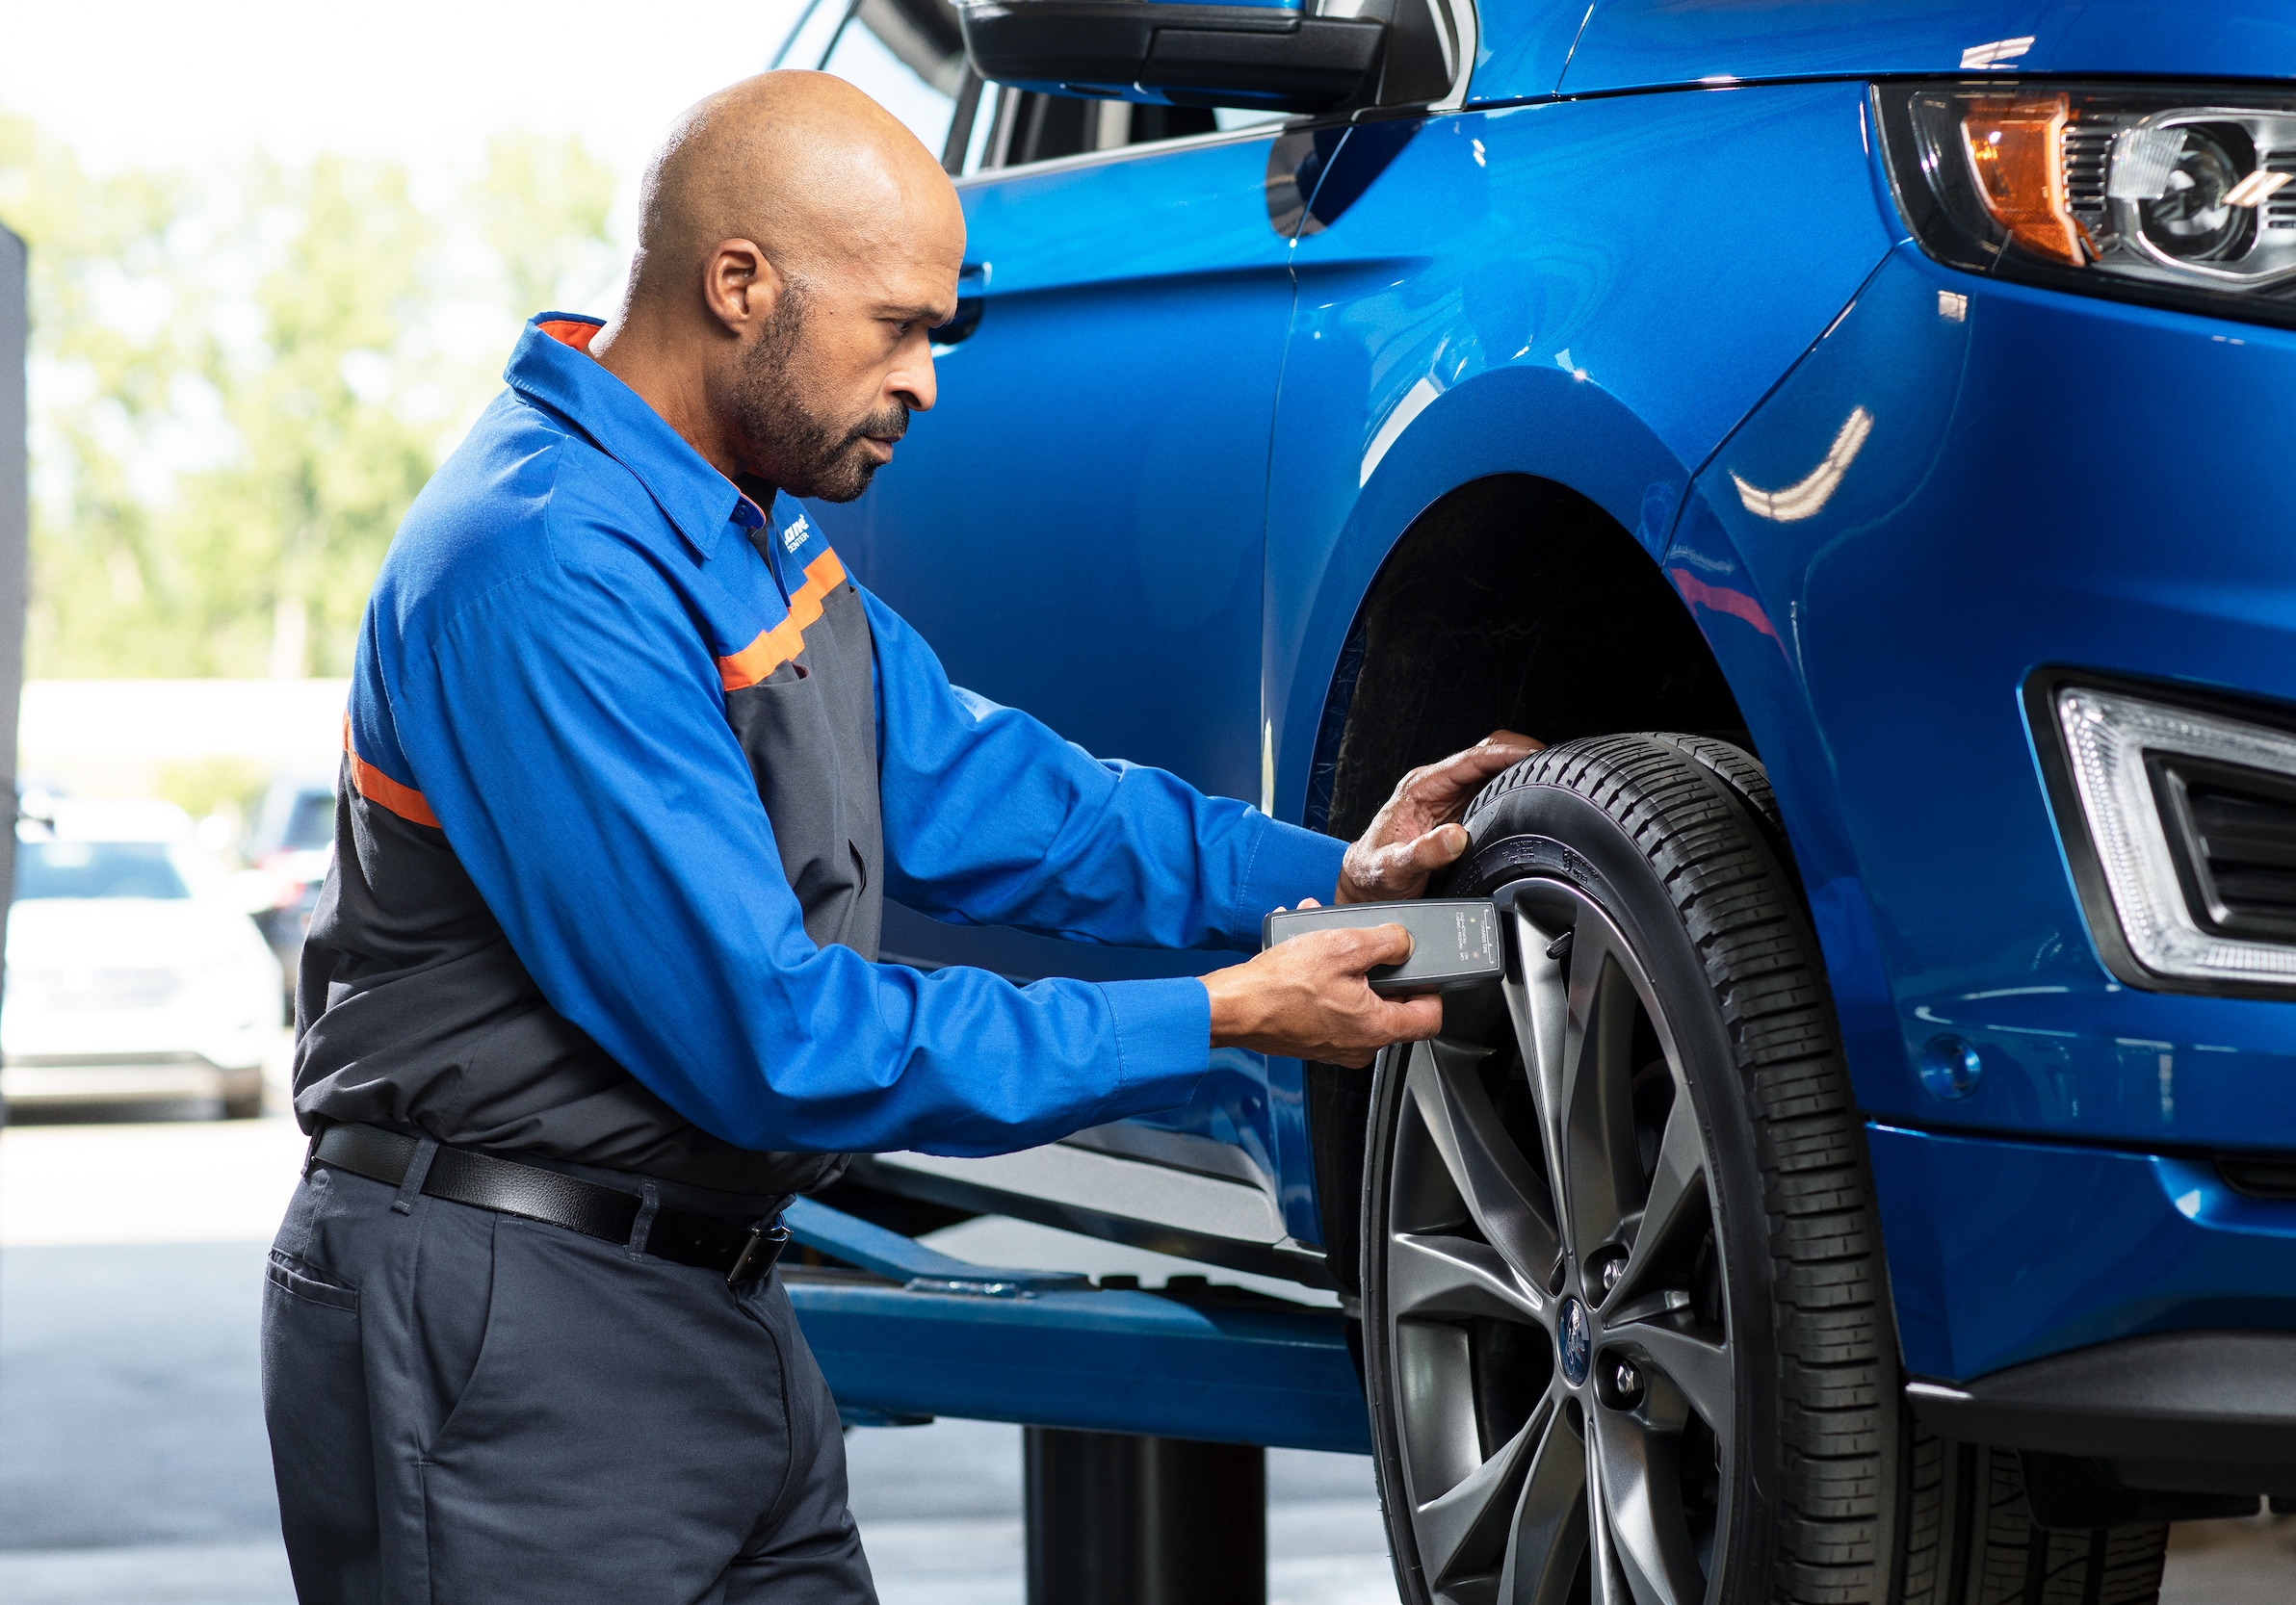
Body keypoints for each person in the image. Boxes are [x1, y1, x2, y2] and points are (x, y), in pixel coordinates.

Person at [261, 69, 1540, 1604]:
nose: (928, 379)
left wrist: (1326, 873)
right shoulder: (543, 566)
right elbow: (780, 1040)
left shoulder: (743, 528)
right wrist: (1221, 1021)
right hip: (507, 1333)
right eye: (901, 328)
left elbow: (1001, 799)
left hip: (715, 1305)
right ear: (739, 285)